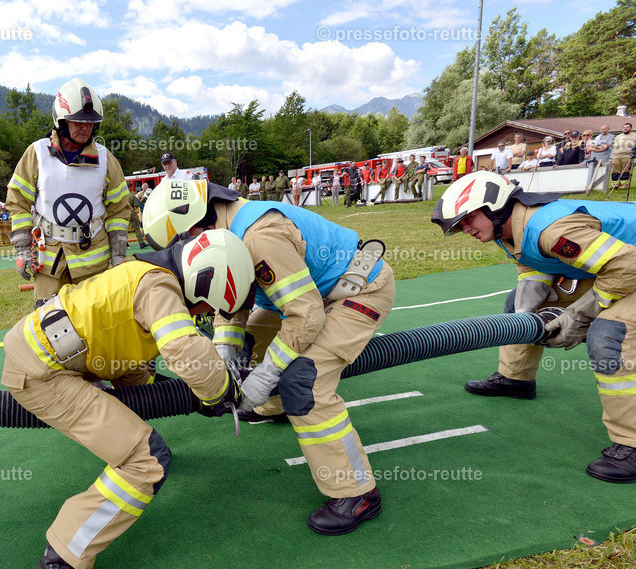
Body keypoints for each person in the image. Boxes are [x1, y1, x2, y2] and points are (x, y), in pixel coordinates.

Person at [2, 230, 254, 569]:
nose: (202, 315)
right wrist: (223, 390)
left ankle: (63, 561)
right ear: (207, 281)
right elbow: (183, 348)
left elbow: (130, 354)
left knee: (142, 431)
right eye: (206, 308)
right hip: (45, 374)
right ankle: (59, 567)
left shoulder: (142, 273)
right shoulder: (159, 288)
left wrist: (191, 394)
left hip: (57, 357)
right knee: (146, 461)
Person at [143, 179, 396, 535]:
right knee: (253, 343)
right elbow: (230, 298)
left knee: (305, 382)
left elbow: (306, 316)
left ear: (197, 227)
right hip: (311, 297)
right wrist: (225, 349)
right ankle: (272, 407)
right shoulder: (228, 228)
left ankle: (355, 492)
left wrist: (265, 375)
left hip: (356, 291)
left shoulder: (259, 236)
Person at [433, 170, 636, 483]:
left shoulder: (550, 229)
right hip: (620, 267)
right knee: (517, 307)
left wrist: (579, 316)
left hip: (629, 266)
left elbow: (626, 266)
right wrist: (525, 314)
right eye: (459, 226)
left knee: (611, 335)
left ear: (492, 207)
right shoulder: (510, 228)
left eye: (467, 219)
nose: (465, 229)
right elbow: (535, 266)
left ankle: (631, 445)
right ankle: (516, 379)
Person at [6, 78, 130, 304]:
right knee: (49, 326)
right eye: (78, 121)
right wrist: (23, 250)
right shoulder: (37, 153)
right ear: (61, 121)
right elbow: (17, 202)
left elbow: (119, 209)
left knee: (96, 324)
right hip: (50, 262)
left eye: (91, 122)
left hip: (94, 263)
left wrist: (119, 255)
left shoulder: (106, 160)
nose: (86, 127)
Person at [611, 121, 635, 190]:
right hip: (616, 156)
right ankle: (614, 184)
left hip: (627, 155)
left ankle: (624, 184)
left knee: (625, 170)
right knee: (615, 170)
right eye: (624, 127)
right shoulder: (618, 136)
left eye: (627, 127)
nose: (625, 129)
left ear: (631, 128)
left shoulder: (634, 136)